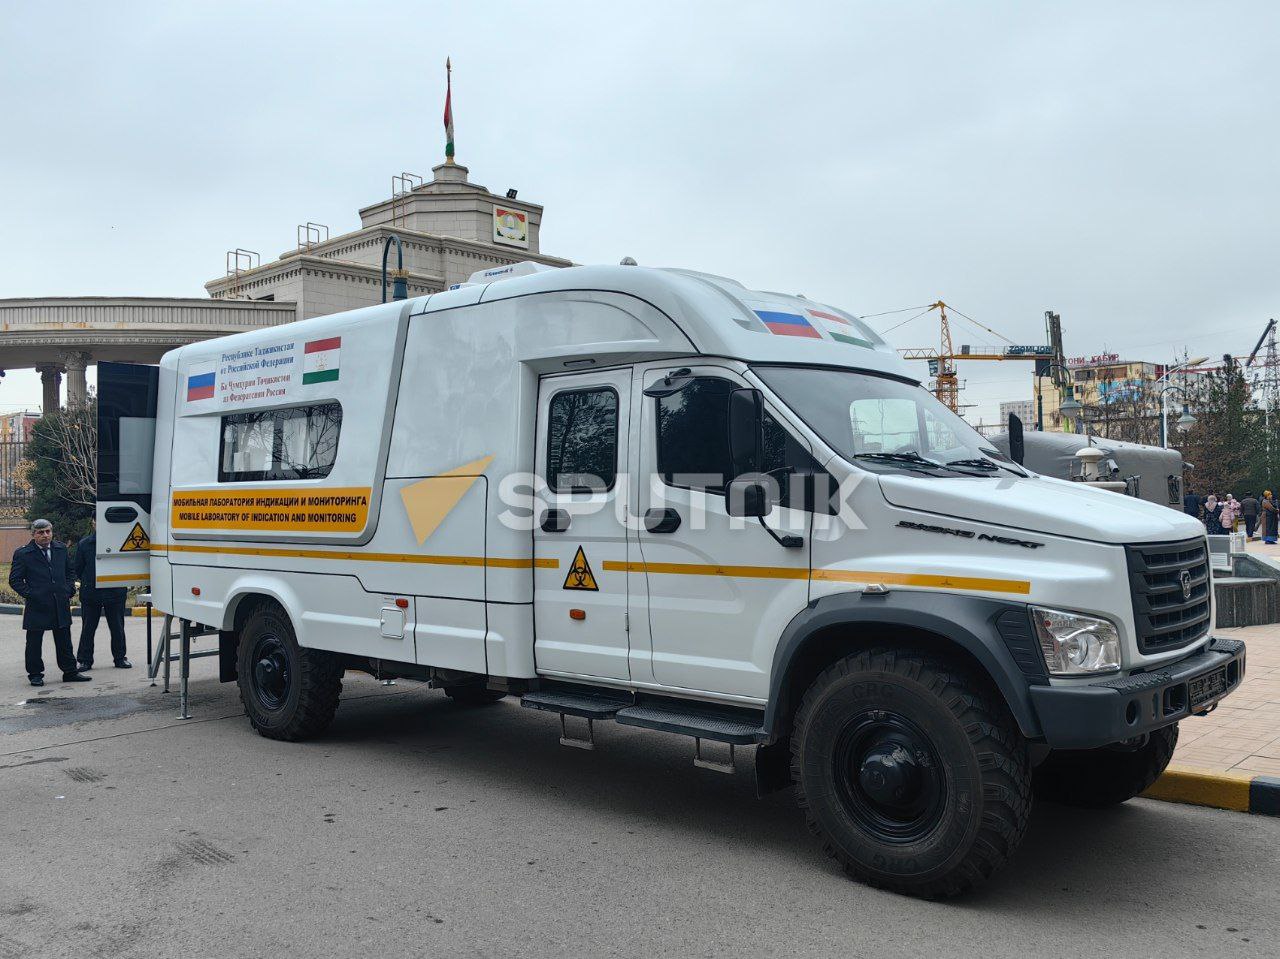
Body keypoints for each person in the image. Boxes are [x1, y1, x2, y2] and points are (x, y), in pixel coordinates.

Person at [7, 519, 91, 687]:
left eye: (48, 531)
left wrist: (69, 590)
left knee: (64, 640)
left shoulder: (60, 549)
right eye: (41, 532)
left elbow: (70, 572)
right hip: (37, 605)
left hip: (60, 603)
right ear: (33, 535)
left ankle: (70, 671)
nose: (45, 535)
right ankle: (35, 674)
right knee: (34, 642)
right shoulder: (24, 553)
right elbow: (15, 580)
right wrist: (31, 594)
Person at [73, 524, 131, 670]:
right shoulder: (84, 544)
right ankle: (85, 660)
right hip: (91, 593)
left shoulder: (119, 542)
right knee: (88, 628)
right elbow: (78, 568)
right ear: (92, 522)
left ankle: (120, 658)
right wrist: (89, 580)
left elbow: (126, 564)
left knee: (117, 627)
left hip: (115, 591)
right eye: (97, 520)